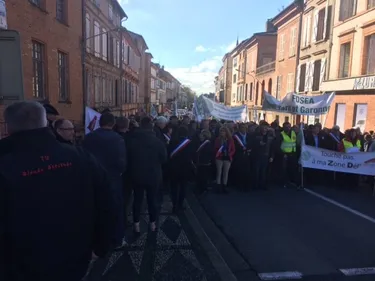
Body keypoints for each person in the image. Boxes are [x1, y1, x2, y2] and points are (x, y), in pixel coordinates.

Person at [0, 101, 115, 281]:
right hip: (75, 254)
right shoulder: (80, 156)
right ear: (46, 122)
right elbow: (107, 201)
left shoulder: (5, 165)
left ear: (8, 127)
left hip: (21, 264)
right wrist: (102, 245)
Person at [83, 112, 127, 249]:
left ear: (100, 122)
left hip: (93, 178)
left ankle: (97, 239)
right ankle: (117, 239)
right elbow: (121, 162)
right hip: (112, 178)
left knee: (96, 209)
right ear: (113, 123)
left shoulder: (88, 137)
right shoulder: (118, 139)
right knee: (116, 209)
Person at [126, 117, 167, 233]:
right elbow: (164, 159)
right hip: (153, 175)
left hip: (136, 174)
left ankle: (136, 224)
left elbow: (127, 158)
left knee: (137, 200)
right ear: (151, 127)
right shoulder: (157, 141)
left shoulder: (132, 140)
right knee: (152, 200)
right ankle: (153, 223)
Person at [168, 126, 194, 213]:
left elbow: (169, 155)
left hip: (173, 168)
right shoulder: (189, 143)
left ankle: (174, 205)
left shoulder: (172, 142)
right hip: (185, 168)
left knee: (174, 188)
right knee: (183, 187)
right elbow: (192, 155)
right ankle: (180, 204)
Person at [251, 124, 275, 190]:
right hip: (257, 156)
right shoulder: (256, 135)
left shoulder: (270, 136)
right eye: (263, 128)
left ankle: (263, 185)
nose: (264, 129)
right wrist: (258, 144)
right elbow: (251, 144)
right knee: (256, 171)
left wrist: (272, 156)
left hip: (266, 156)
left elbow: (272, 147)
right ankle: (255, 185)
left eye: (266, 128)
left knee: (264, 172)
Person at [214, 126, 235, 193]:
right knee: (219, 172)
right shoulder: (217, 139)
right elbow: (215, 148)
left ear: (226, 132)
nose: (222, 132)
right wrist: (218, 152)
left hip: (227, 157)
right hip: (219, 157)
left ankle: (224, 187)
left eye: (223, 131)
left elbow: (233, 149)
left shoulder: (230, 140)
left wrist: (230, 154)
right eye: (221, 131)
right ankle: (218, 187)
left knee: (226, 172)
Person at [194, 129, 213, 194]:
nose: (200, 136)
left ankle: (203, 188)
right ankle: (200, 187)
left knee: (203, 176)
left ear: (204, 136)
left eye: (201, 135)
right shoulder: (201, 142)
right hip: (201, 162)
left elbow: (208, 152)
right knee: (200, 175)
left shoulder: (207, 143)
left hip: (204, 162)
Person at [280, 122, 298, 188]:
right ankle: (284, 182)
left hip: (293, 153)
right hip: (285, 154)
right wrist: (283, 154)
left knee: (292, 168)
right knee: (284, 169)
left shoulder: (293, 133)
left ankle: (292, 180)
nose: (288, 128)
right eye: (286, 127)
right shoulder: (281, 134)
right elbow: (279, 145)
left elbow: (294, 142)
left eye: (289, 127)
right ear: (283, 127)